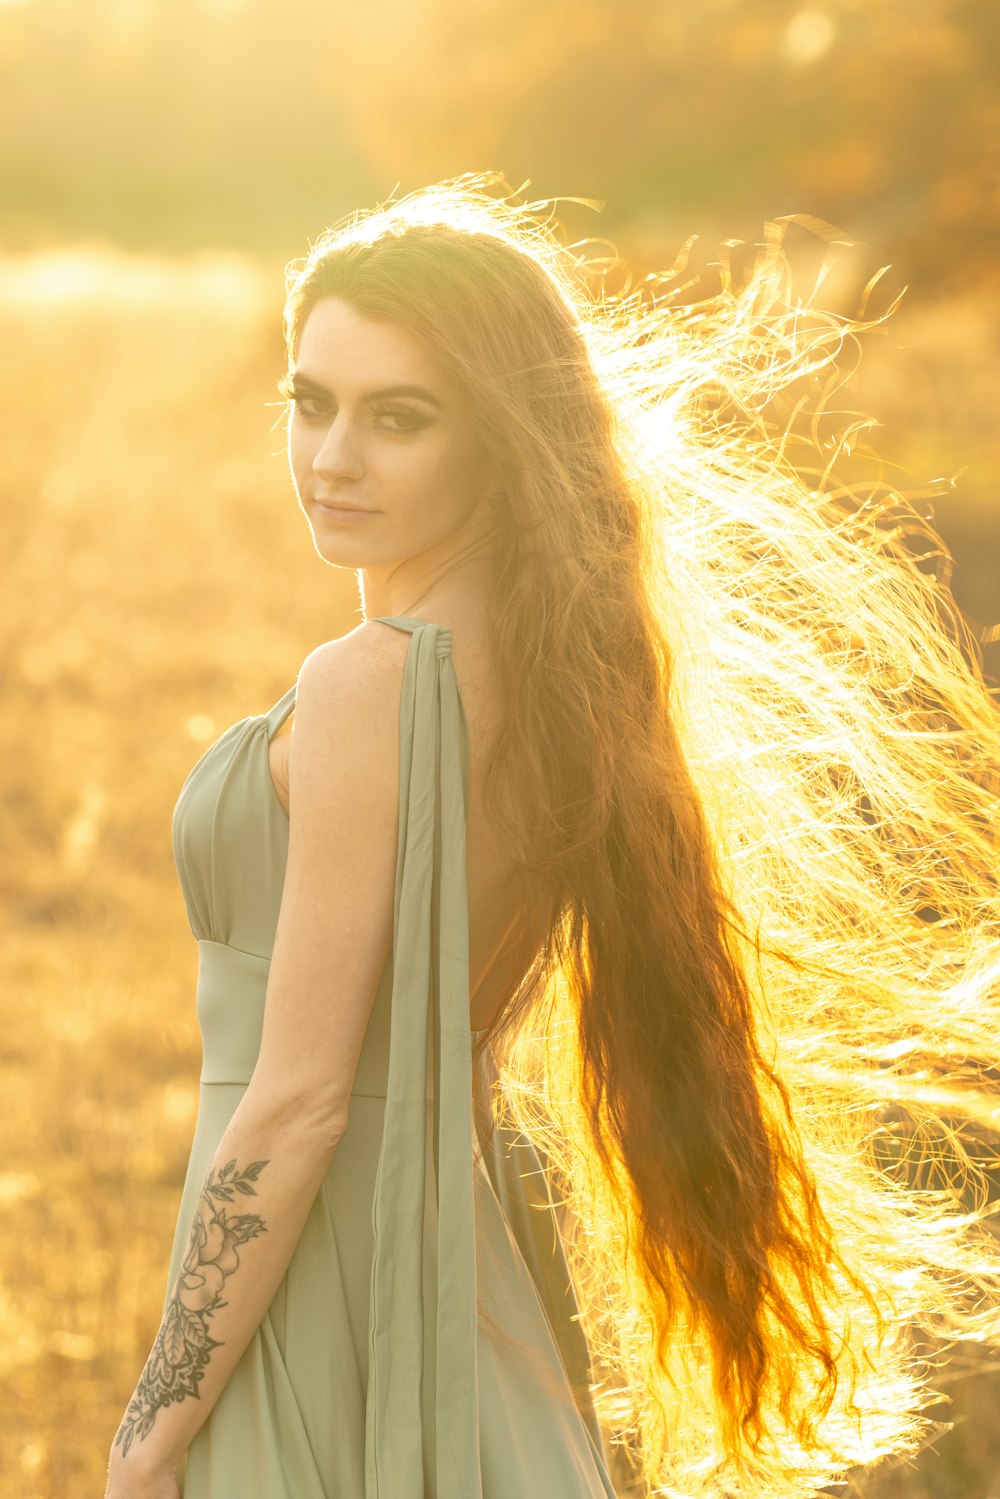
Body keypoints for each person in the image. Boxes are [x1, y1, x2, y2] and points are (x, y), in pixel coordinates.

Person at [104, 172, 1000, 1499]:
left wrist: (147, 1432)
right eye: (311, 401)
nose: (332, 455)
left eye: (398, 418)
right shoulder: (556, 670)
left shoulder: (378, 682)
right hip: (453, 1279)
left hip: (320, 1299)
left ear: (499, 439)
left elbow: (294, 1107)